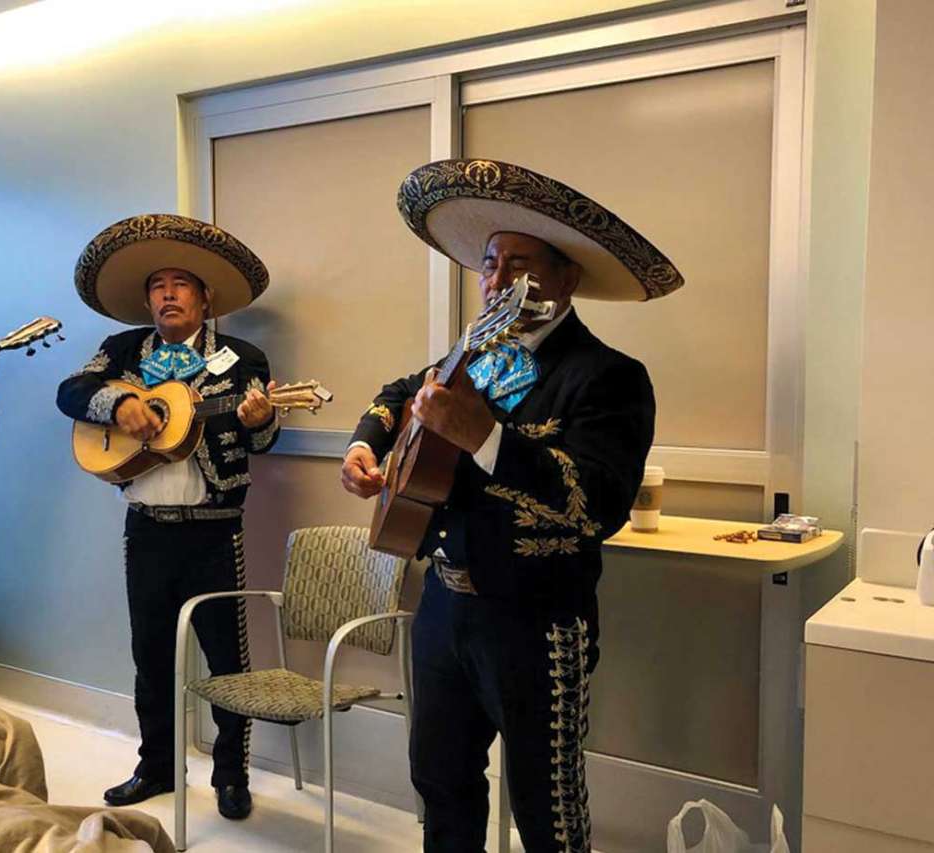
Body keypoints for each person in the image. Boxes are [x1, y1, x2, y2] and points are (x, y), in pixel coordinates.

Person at [341, 159, 684, 852]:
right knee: (440, 780)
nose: (496, 281)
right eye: (490, 263)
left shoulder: (609, 376)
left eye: (519, 265)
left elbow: (600, 503)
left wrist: (486, 436)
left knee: (545, 806)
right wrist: (365, 442)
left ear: (565, 279)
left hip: (537, 619)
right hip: (443, 604)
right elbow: (396, 392)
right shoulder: (472, 357)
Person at [57, 214, 280, 821]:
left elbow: (262, 441)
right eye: (158, 285)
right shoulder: (124, 351)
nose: (168, 294)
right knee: (150, 654)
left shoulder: (241, 359)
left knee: (227, 658)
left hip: (215, 530)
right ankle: (155, 766)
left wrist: (262, 421)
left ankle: (232, 775)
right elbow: (70, 392)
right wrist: (121, 400)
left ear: (205, 299)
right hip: (147, 528)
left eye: (182, 284)